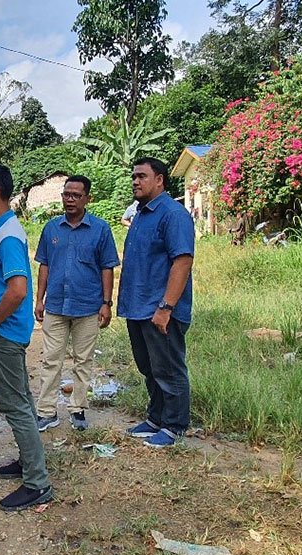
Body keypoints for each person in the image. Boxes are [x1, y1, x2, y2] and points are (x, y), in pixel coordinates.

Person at [0, 164, 54, 511]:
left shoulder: (7, 235)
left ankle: (37, 483)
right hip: (4, 330)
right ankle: (28, 460)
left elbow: (17, 290)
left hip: (2, 332)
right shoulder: (1, 229)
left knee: (15, 405)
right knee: (21, 399)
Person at [118, 158, 195, 449]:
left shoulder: (172, 214)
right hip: (137, 307)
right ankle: (156, 417)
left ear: (160, 180)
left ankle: (174, 425)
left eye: (142, 176)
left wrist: (166, 307)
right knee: (148, 366)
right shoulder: (141, 213)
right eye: (133, 177)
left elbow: (182, 261)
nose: (135, 181)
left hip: (160, 309)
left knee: (168, 369)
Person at [34, 175, 119, 432]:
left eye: (75, 195)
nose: (69, 200)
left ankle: (77, 408)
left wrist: (106, 303)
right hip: (56, 306)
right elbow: (44, 265)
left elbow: (107, 268)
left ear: (87, 198)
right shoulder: (51, 228)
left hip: (88, 306)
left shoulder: (100, 229)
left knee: (83, 361)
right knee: (51, 360)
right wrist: (39, 299)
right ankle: (46, 411)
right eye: (66, 194)